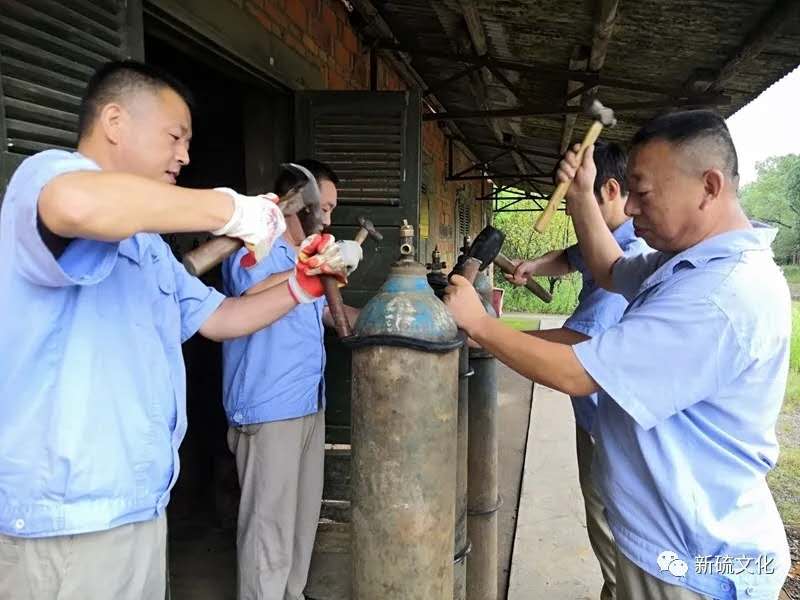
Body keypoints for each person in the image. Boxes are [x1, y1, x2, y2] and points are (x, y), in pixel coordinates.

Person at [0, 60, 355, 600]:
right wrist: (229, 209)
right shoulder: (47, 178)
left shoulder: (146, 248)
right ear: (115, 122)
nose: (185, 155)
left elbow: (219, 319)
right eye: (175, 136)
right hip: (64, 520)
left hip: (138, 506)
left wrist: (301, 287)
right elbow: (76, 204)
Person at [444, 110, 790, 600]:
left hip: (690, 563)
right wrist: (583, 195)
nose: (629, 208)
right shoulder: (685, 264)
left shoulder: (719, 294)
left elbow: (576, 372)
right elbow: (610, 269)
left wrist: (479, 323)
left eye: (643, 193)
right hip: (671, 540)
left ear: (709, 186)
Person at [507, 141, 647, 600]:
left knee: (610, 526)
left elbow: (578, 347)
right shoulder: (602, 240)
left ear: (607, 190)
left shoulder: (632, 257)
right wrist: (535, 266)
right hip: (592, 415)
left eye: (573, 203)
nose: (570, 215)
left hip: (610, 422)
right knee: (604, 517)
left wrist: (485, 331)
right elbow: (573, 256)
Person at [222, 160, 360, 600]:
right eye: (325, 207)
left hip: (307, 402)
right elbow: (247, 294)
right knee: (268, 530)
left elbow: (319, 311)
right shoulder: (253, 247)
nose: (329, 219)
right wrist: (308, 273)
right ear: (295, 204)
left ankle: (293, 594)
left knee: (301, 522)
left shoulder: (305, 258)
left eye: (333, 209)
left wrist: (382, 319)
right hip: (268, 407)